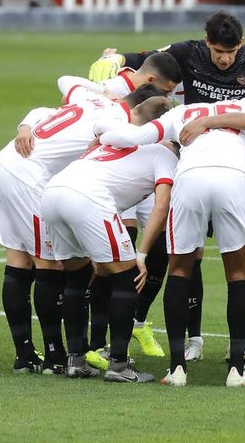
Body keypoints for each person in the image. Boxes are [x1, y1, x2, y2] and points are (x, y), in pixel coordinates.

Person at [88, 10, 245, 364]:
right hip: (190, 161)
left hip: (239, 169)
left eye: (230, 53)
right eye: (218, 53)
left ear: (240, 45)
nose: (225, 60)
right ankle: (187, 337)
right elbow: (146, 61)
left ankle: (238, 344)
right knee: (187, 255)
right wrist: (118, 58)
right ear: (207, 43)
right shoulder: (187, 53)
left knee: (241, 255)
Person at [99, 97, 245, 388]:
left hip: (189, 180)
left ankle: (176, 369)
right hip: (232, 180)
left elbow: (134, 136)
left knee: (180, 269)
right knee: (238, 273)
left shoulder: (180, 112)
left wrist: (100, 133)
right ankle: (236, 370)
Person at [0, 83, 169, 376]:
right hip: (31, 176)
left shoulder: (94, 100)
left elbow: (56, 95)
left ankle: (41, 356)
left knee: (22, 260)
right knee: (52, 265)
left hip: (9, 164)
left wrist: (25, 126)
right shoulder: (122, 125)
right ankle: (57, 358)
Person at [41, 139, 178, 384]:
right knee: (127, 278)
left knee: (76, 277)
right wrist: (142, 255)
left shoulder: (119, 144)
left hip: (52, 193)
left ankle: (76, 362)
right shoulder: (166, 155)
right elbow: (162, 206)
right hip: (87, 197)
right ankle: (119, 366)